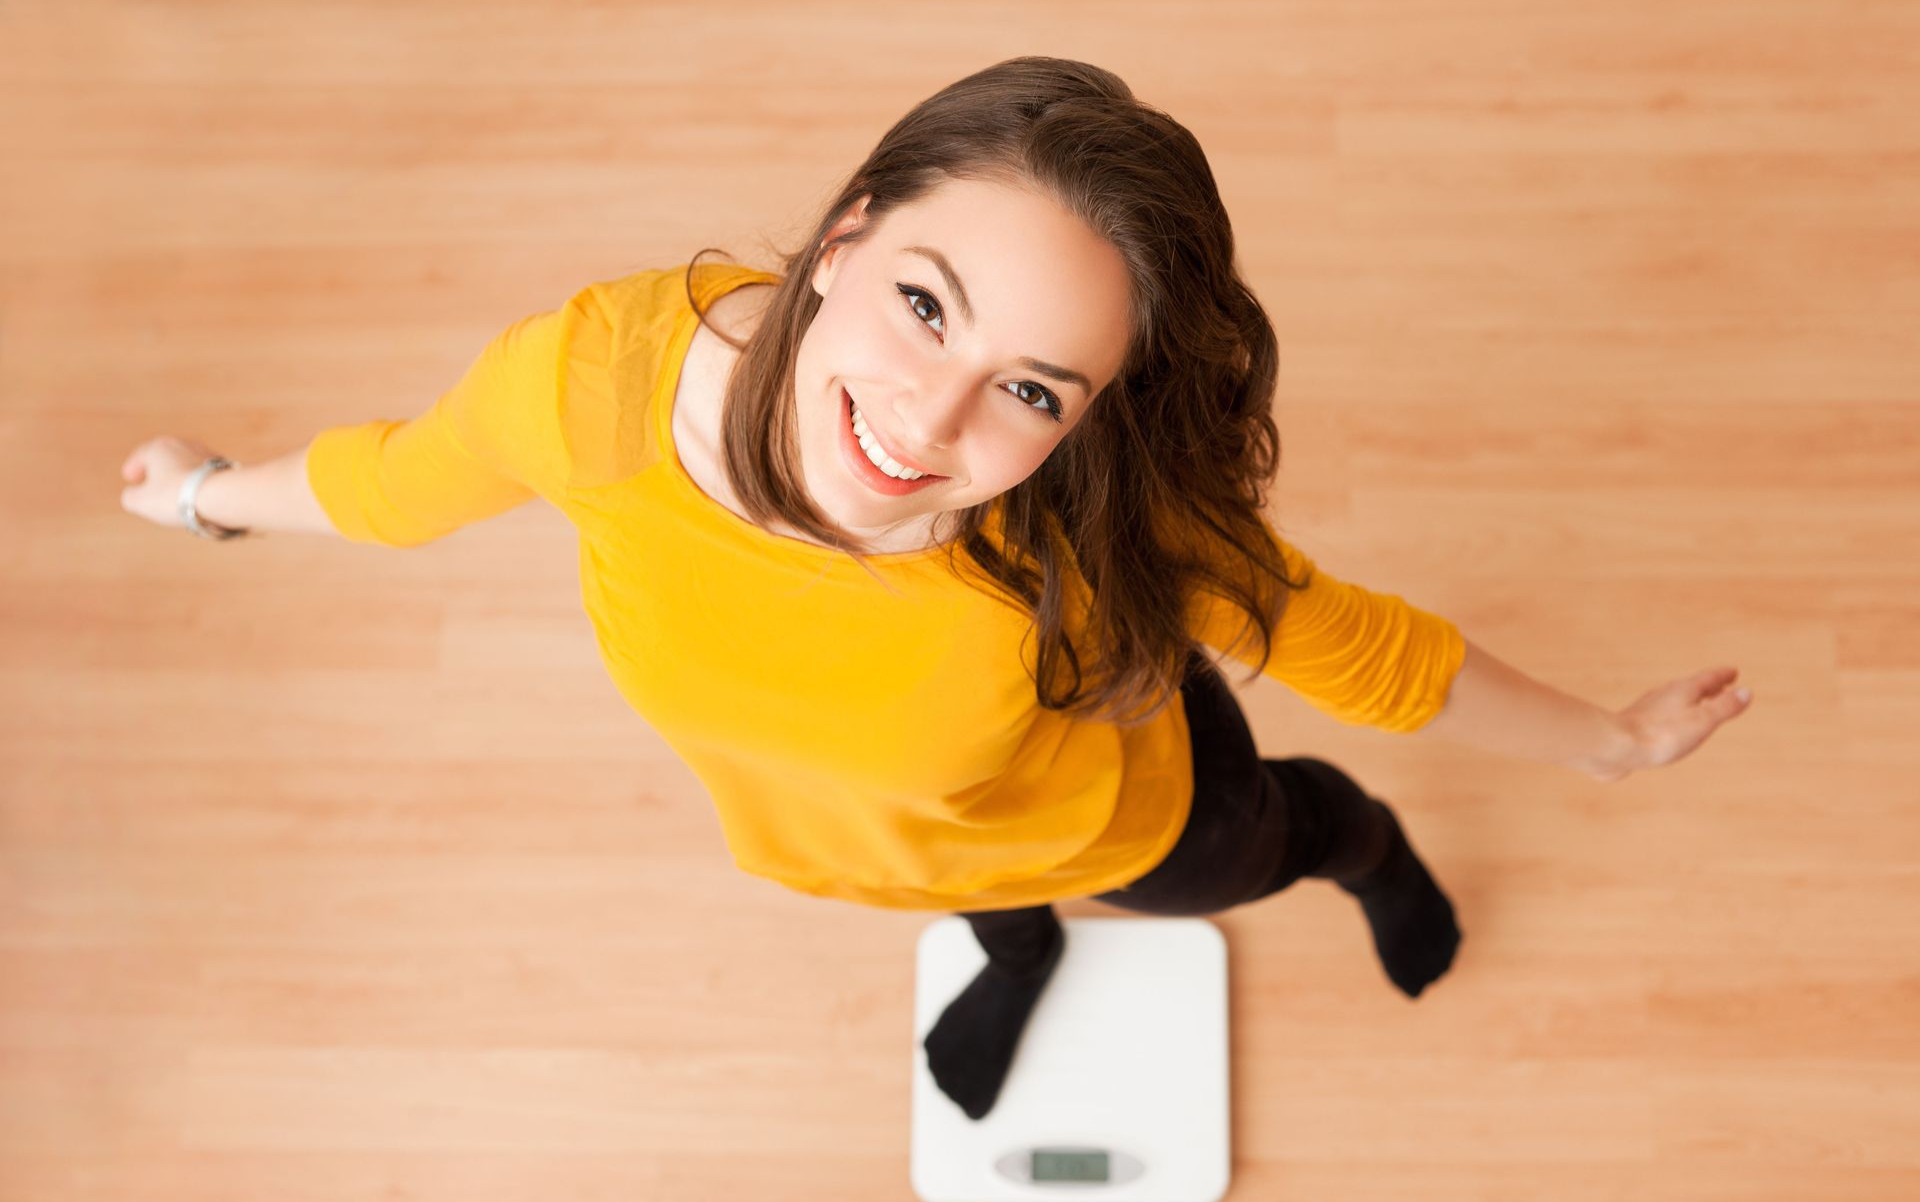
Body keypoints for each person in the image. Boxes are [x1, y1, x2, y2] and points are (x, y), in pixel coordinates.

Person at [118, 56, 1751, 1125]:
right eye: (923, 304)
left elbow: (1367, 650)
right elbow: (396, 485)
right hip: (869, 841)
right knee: (965, 882)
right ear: (842, 237)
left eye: (1034, 390)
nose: (927, 422)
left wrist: (1615, 741)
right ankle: (1016, 950)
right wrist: (205, 498)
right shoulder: (592, 389)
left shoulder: (1112, 531)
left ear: (1090, 414)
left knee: (1276, 836)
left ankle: (1364, 850)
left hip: (1128, 807)